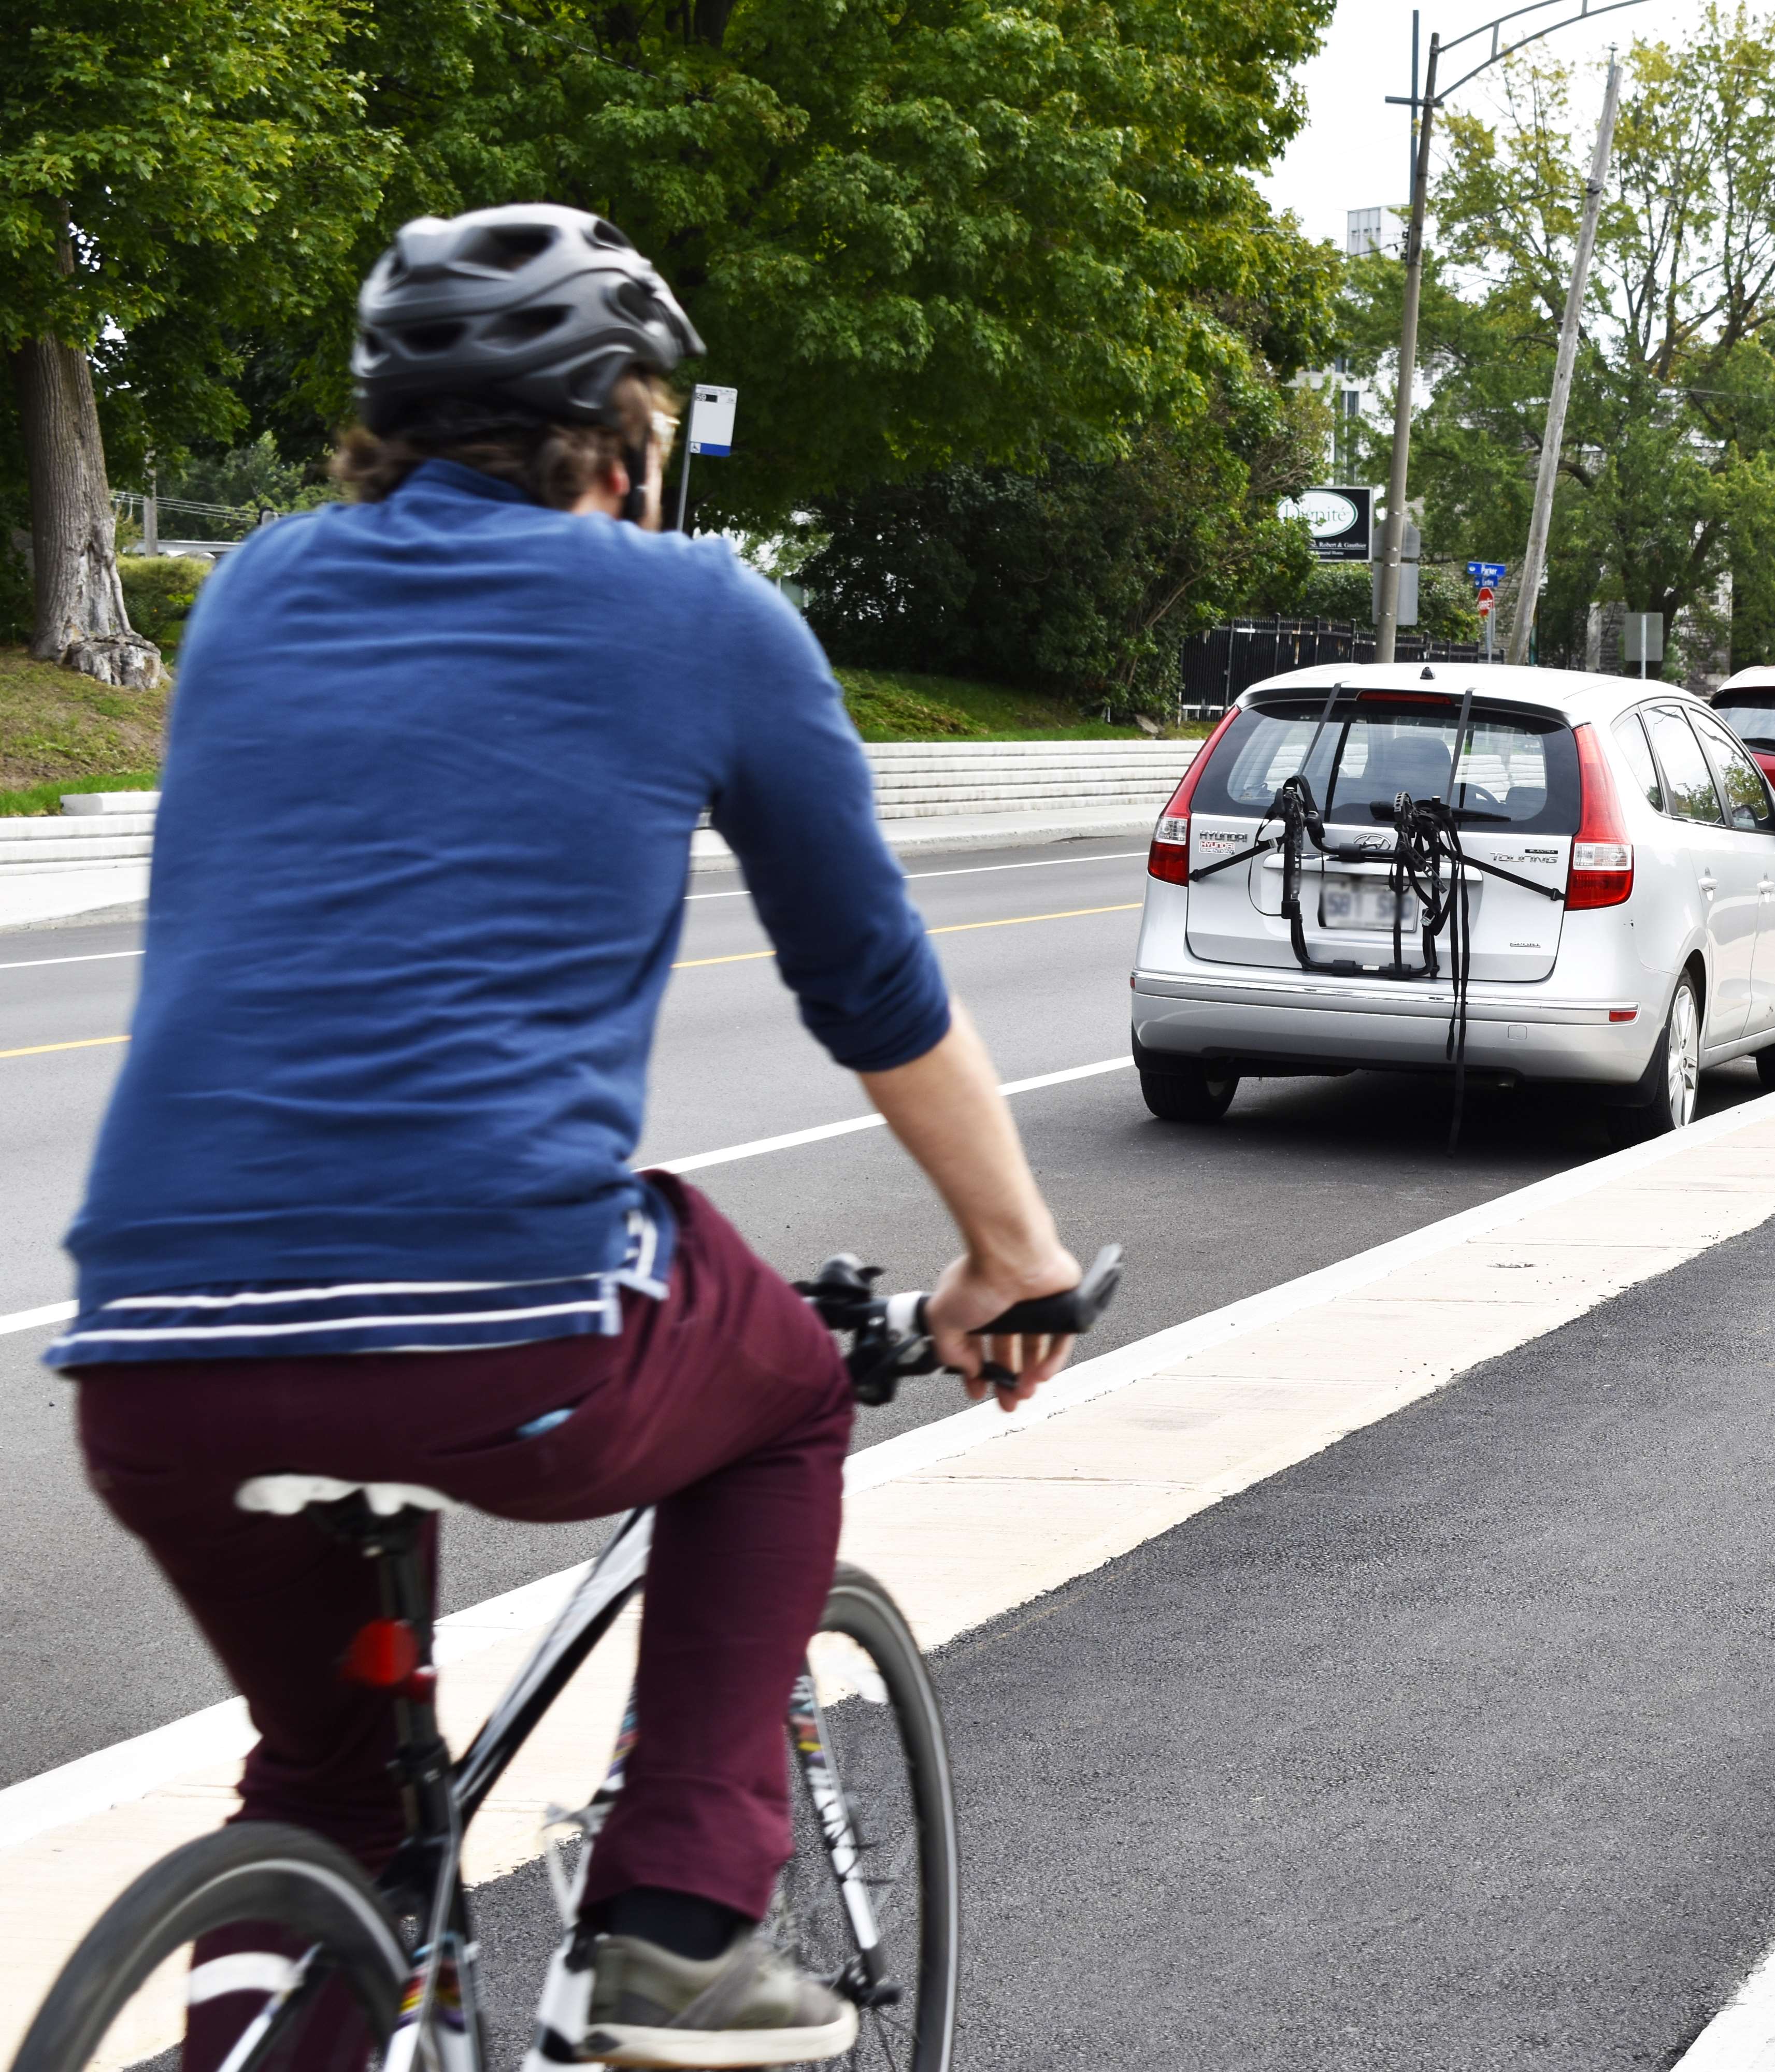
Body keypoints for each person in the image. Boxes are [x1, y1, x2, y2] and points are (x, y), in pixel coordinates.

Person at [51, 205, 1084, 2069]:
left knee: (332, 1792)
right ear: (628, 431)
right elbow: (866, 977)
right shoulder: (703, 615)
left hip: (154, 1352)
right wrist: (1010, 1251)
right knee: (782, 1393)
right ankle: (672, 1925)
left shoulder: (259, 591)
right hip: (501, 1330)